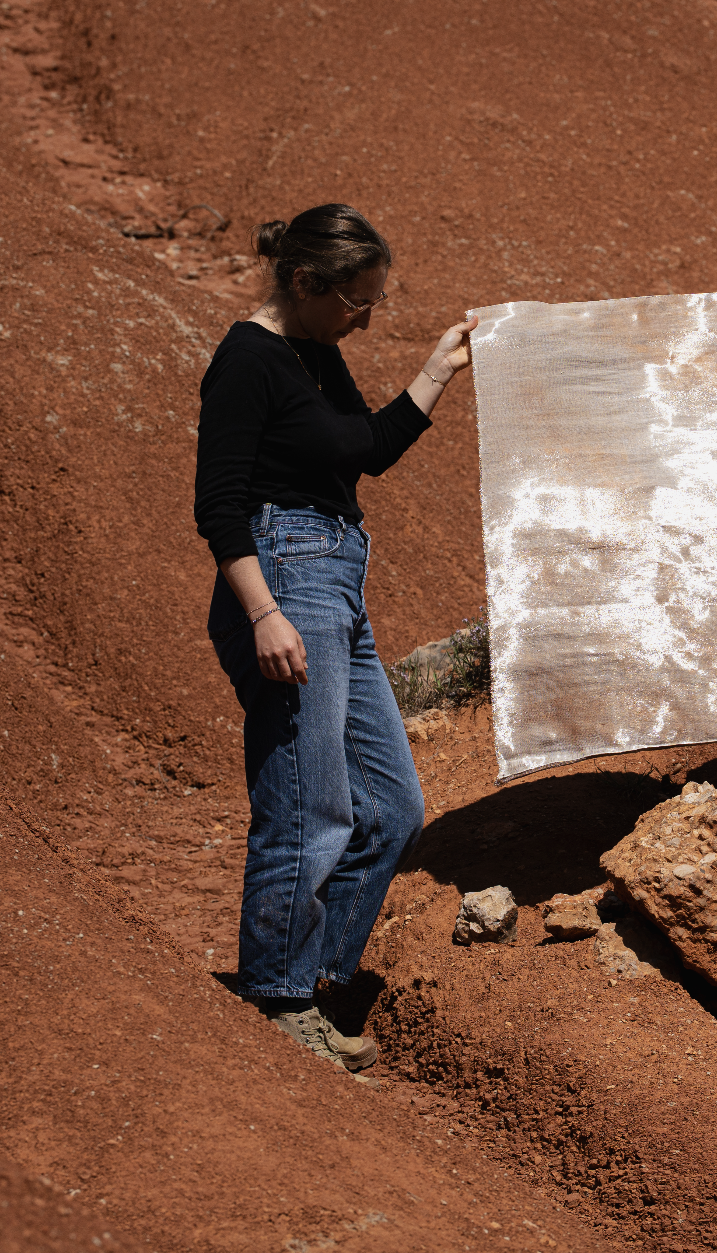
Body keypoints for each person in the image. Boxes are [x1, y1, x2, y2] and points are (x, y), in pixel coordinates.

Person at [193, 203, 477, 1073]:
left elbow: (366, 449)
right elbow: (218, 503)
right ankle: (278, 999)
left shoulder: (316, 355)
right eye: (358, 301)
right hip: (285, 578)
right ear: (308, 283)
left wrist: (440, 367)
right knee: (309, 803)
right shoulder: (247, 360)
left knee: (392, 810)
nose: (368, 317)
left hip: (337, 580)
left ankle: (311, 980)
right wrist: (263, 612)